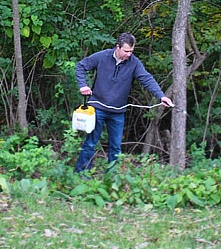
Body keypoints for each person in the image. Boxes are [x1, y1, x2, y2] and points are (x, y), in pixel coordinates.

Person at [74, 32, 174, 172]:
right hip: (97, 108)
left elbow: (147, 79)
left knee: (115, 147)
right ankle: (81, 174)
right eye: (126, 51)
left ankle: (112, 178)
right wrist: (83, 85)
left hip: (118, 112)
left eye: (131, 51)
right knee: (91, 143)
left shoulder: (134, 63)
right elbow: (80, 66)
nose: (129, 54)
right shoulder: (102, 56)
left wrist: (161, 96)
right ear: (118, 47)